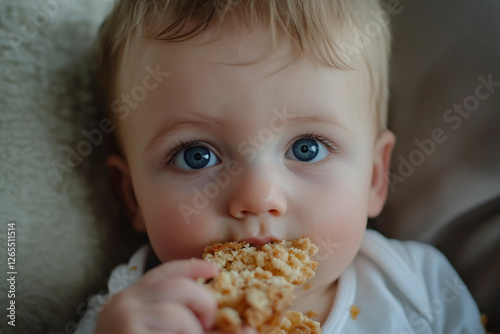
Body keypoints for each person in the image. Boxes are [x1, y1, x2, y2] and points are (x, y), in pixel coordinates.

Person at [76, 0, 485, 333]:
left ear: (375, 178)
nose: (258, 197)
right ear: (132, 197)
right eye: (196, 156)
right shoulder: (135, 313)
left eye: (307, 149)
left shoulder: (419, 287)